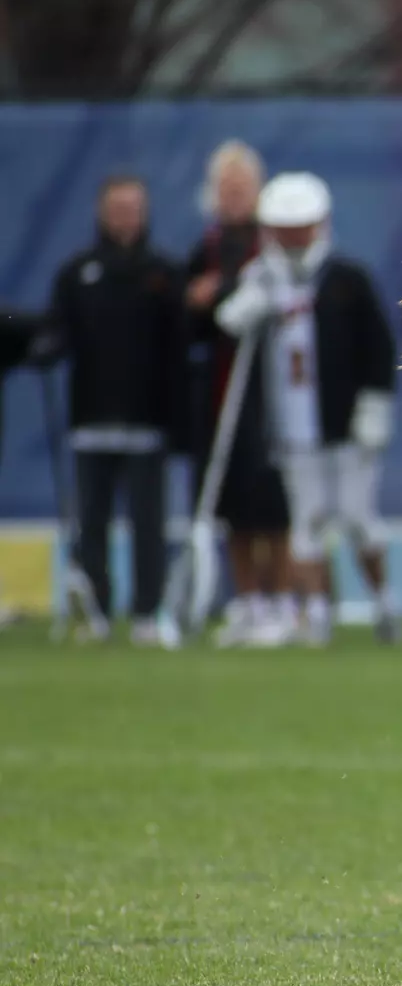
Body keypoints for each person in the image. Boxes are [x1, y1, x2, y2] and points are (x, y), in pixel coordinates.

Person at [217, 171, 400, 647]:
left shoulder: (346, 278)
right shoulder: (263, 277)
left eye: (300, 226)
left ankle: (384, 603)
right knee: (307, 521)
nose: (292, 236)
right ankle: (316, 613)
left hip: (346, 425)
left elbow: (378, 346)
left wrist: (373, 405)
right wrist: (253, 301)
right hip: (294, 426)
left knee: (359, 518)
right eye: (283, 227)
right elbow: (229, 322)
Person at [43, 175, 188, 647]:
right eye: (117, 206)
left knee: (149, 523)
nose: (125, 215)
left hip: (147, 421)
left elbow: (180, 346)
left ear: (144, 212)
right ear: (102, 211)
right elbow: (58, 331)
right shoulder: (77, 272)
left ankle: (148, 611)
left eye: (133, 206)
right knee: (92, 522)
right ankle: (97, 611)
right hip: (91, 420)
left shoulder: (164, 272)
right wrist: (44, 346)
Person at [185, 140, 295, 648]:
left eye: (242, 187)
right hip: (221, 392)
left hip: (273, 395)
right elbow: (193, 322)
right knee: (231, 505)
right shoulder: (205, 248)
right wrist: (198, 301)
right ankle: (246, 601)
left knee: (273, 502)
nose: (233, 196)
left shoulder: (272, 246)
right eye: (226, 188)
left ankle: (280, 601)